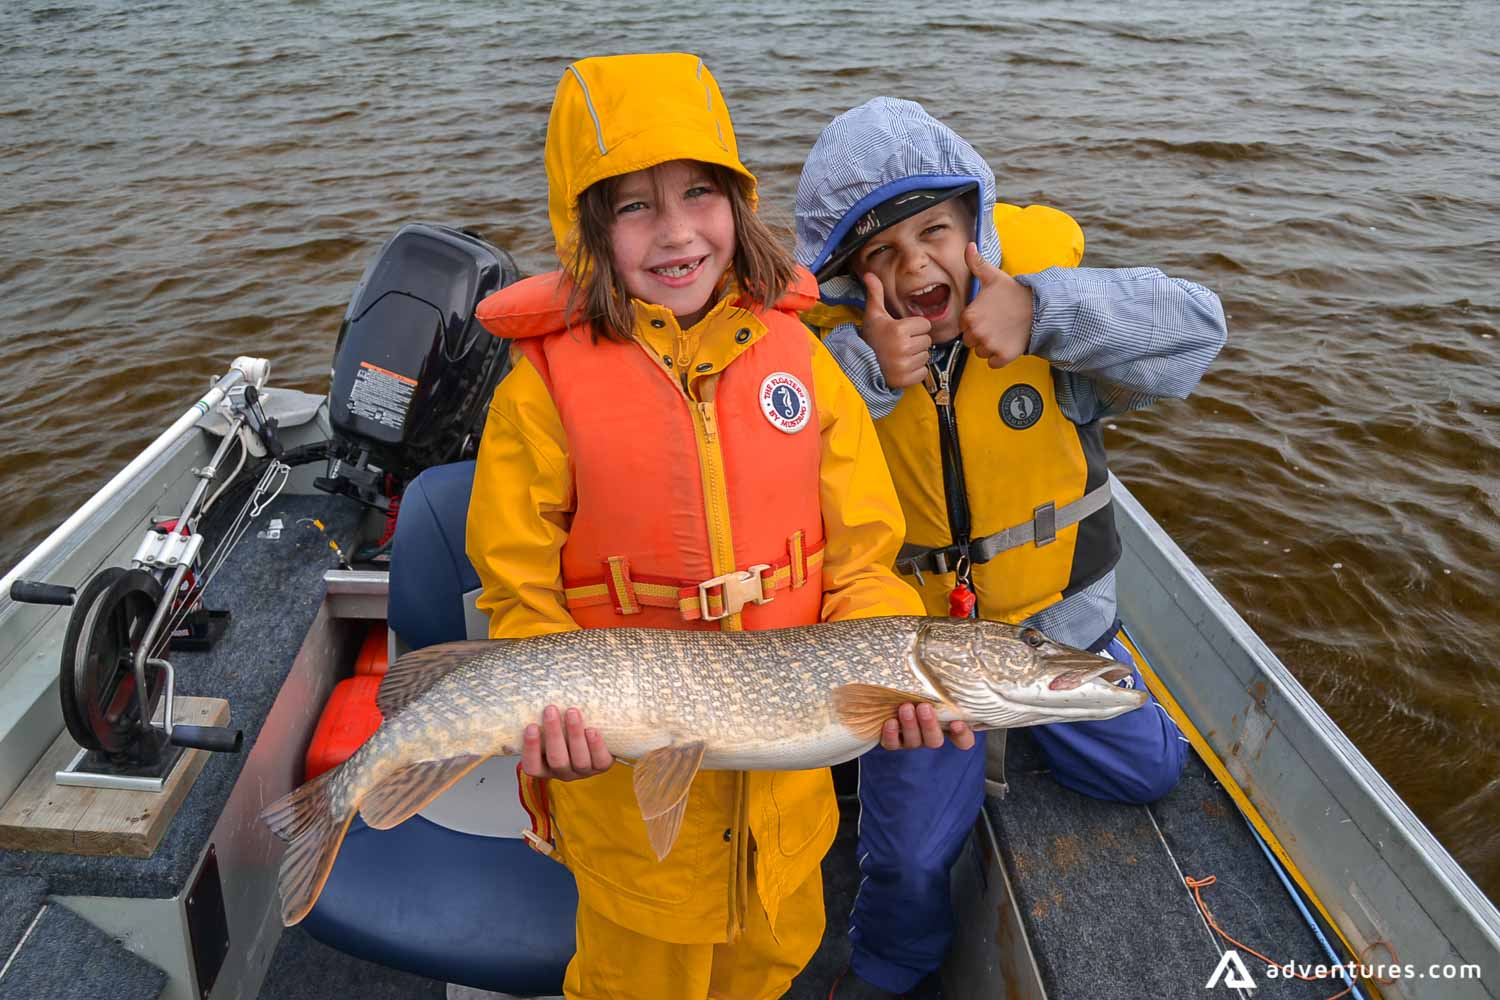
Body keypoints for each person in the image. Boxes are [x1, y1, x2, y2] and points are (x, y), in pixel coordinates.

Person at [465, 57, 955, 1000]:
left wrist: (895, 673)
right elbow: (515, 591)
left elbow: (864, 560)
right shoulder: (542, 395)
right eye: (634, 207)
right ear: (588, 230)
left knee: (773, 970)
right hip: (632, 822)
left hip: (786, 813)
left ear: (739, 200)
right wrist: (555, 713)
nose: (679, 232)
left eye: (699, 193)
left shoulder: (801, 364)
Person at [793, 97, 1228, 999]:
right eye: (882, 254)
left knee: (1150, 768)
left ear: (976, 227)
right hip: (915, 664)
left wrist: (1045, 309)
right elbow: (775, 469)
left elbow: (1198, 331)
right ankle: (885, 969)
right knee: (908, 859)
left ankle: (1037, 716)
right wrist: (871, 375)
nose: (918, 264)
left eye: (937, 230)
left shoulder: (1048, 325)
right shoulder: (827, 369)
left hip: (1053, 632)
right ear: (849, 281)